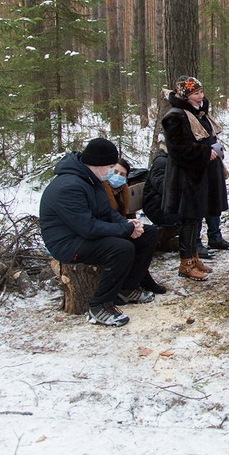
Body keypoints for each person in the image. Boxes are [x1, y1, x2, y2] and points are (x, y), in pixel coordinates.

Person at [40, 138, 158, 327]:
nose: (112, 171)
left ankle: (126, 289)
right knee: (121, 248)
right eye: (111, 166)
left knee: (148, 234)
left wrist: (130, 224)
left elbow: (107, 213)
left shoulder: (91, 180)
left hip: (84, 235)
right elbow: (87, 227)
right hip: (68, 243)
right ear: (97, 164)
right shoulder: (69, 186)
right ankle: (99, 305)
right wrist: (125, 230)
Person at [161, 76, 228, 282]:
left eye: (201, 92)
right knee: (189, 220)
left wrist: (213, 149)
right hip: (186, 178)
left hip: (201, 175)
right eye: (196, 93)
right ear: (185, 96)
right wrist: (204, 152)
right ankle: (185, 263)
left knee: (197, 217)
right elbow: (177, 148)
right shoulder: (175, 117)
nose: (201, 96)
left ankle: (194, 257)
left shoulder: (198, 114)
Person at [197, 97, 229, 254]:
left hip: (213, 164)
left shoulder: (205, 116)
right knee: (199, 204)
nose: (200, 97)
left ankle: (215, 237)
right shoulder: (185, 117)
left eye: (201, 93)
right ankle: (196, 242)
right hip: (198, 165)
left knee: (213, 201)